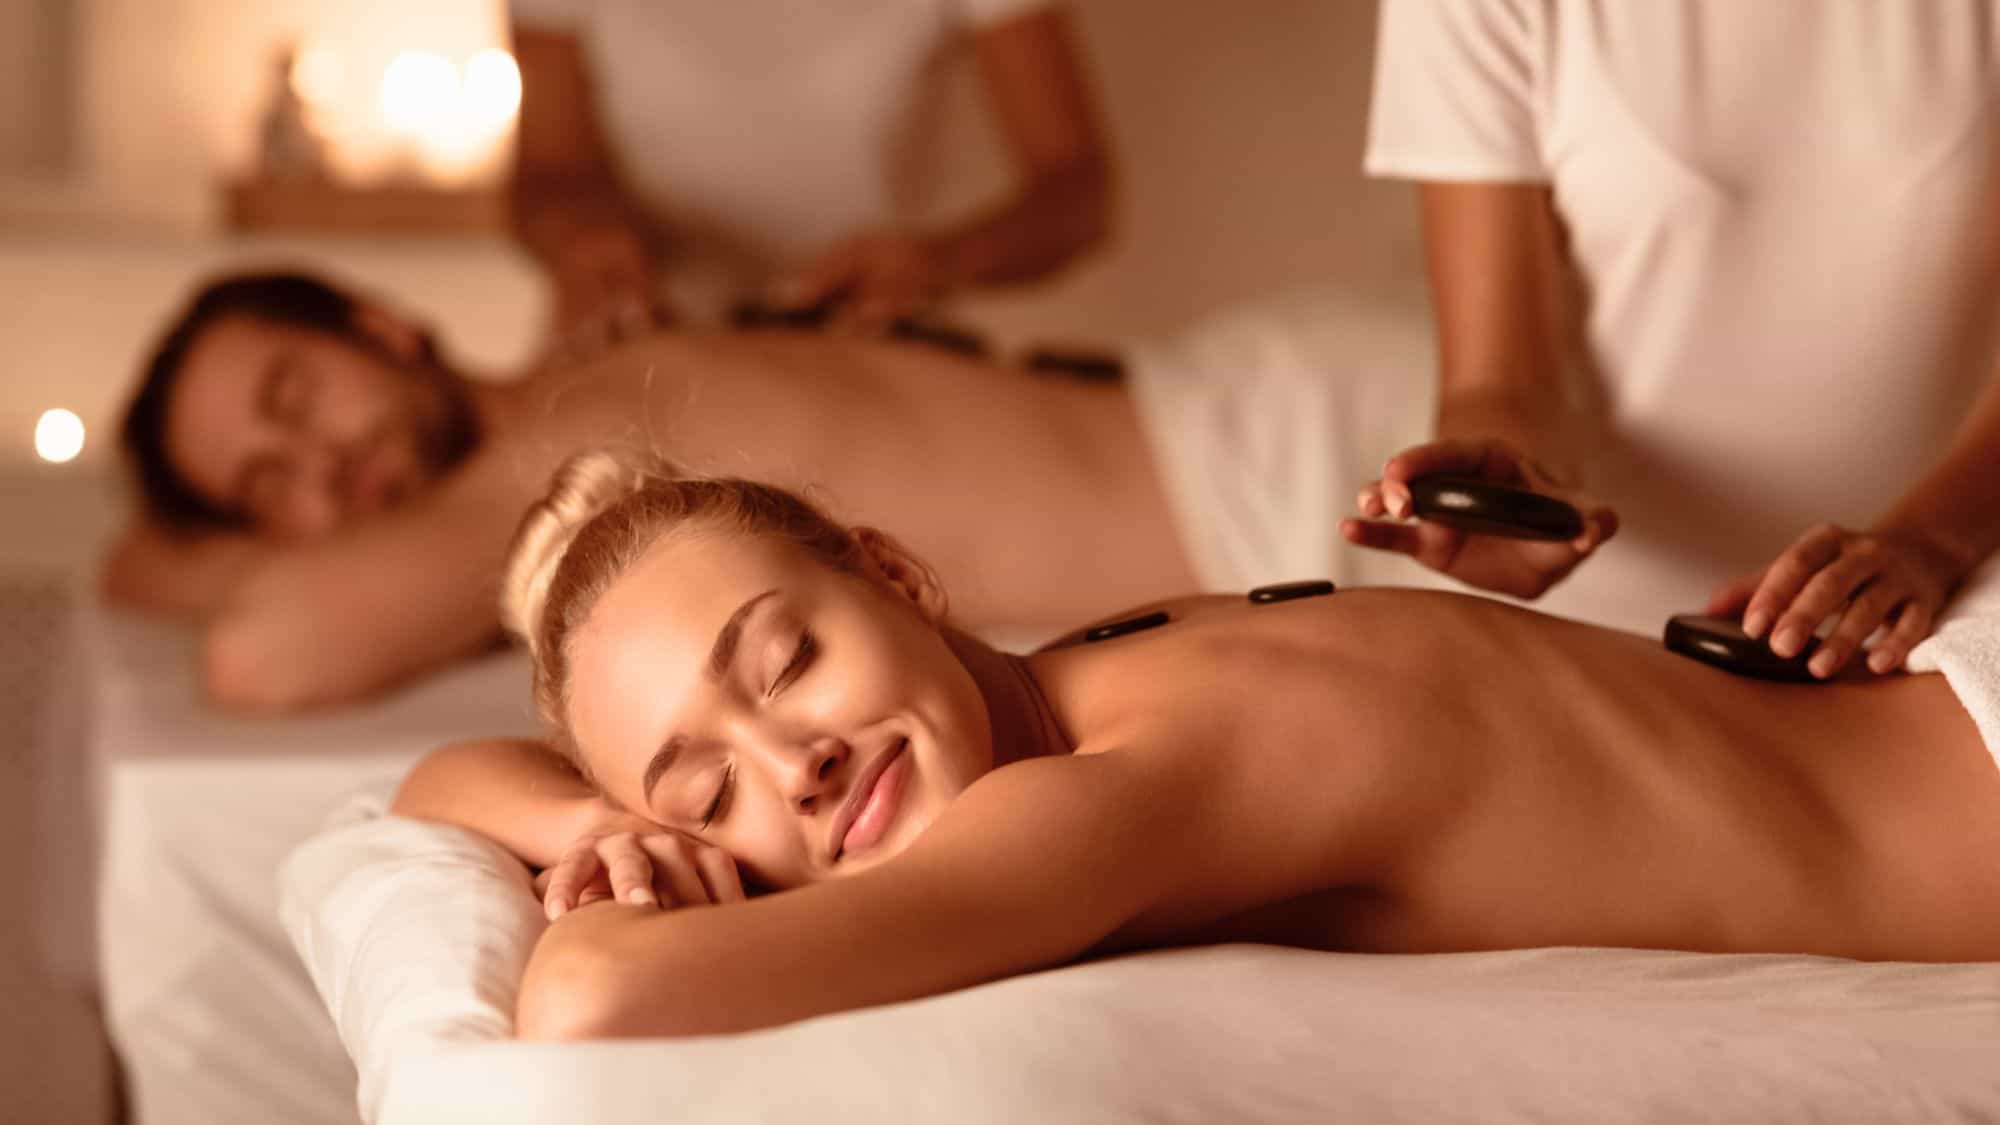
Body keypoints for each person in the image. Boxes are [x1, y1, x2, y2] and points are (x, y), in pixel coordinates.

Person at [394, 450, 2000, 1041]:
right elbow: (427, 777)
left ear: (892, 572)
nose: (791, 764)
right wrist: (592, 819)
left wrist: (621, 853)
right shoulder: (1089, 668)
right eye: (712, 784)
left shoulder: (1122, 800)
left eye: (790, 662)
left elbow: (594, 1000)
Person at [100, 269, 1197, 713]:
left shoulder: (577, 437)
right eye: (268, 484)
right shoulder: (586, 391)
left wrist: (247, 557)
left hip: (1276, 457)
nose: (322, 467)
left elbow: (260, 653)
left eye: (295, 400)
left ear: (374, 325)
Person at [1345, 0, 2000, 680]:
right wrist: (1511, 492)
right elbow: (1497, 383)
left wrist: (1930, 540)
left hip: (1926, 623)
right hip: (1591, 637)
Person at [508, 0, 1114, 341]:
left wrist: (936, 263)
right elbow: (544, 172)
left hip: (868, 353)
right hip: (642, 352)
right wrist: (583, 239)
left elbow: (1079, 193)